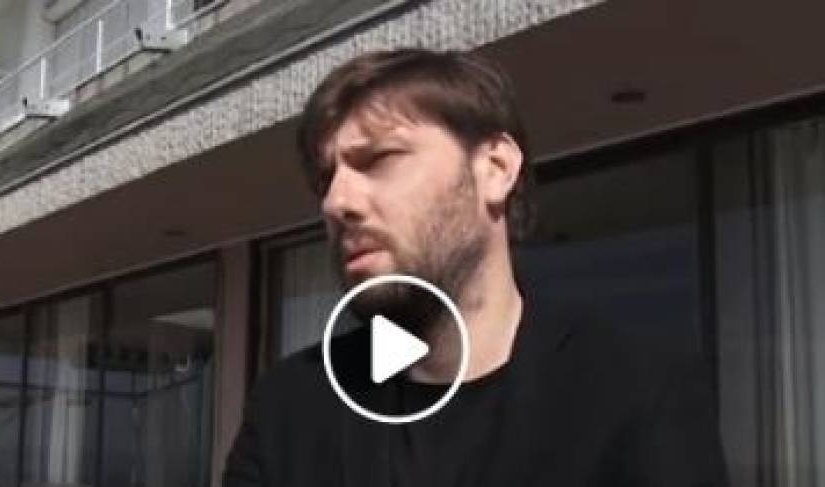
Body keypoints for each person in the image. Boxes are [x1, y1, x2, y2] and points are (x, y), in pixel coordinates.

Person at [223, 48, 728, 486]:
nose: (337, 202)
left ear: (496, 169)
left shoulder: (633, 392)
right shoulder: (292, 407)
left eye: (379, 159)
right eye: (325, 180)